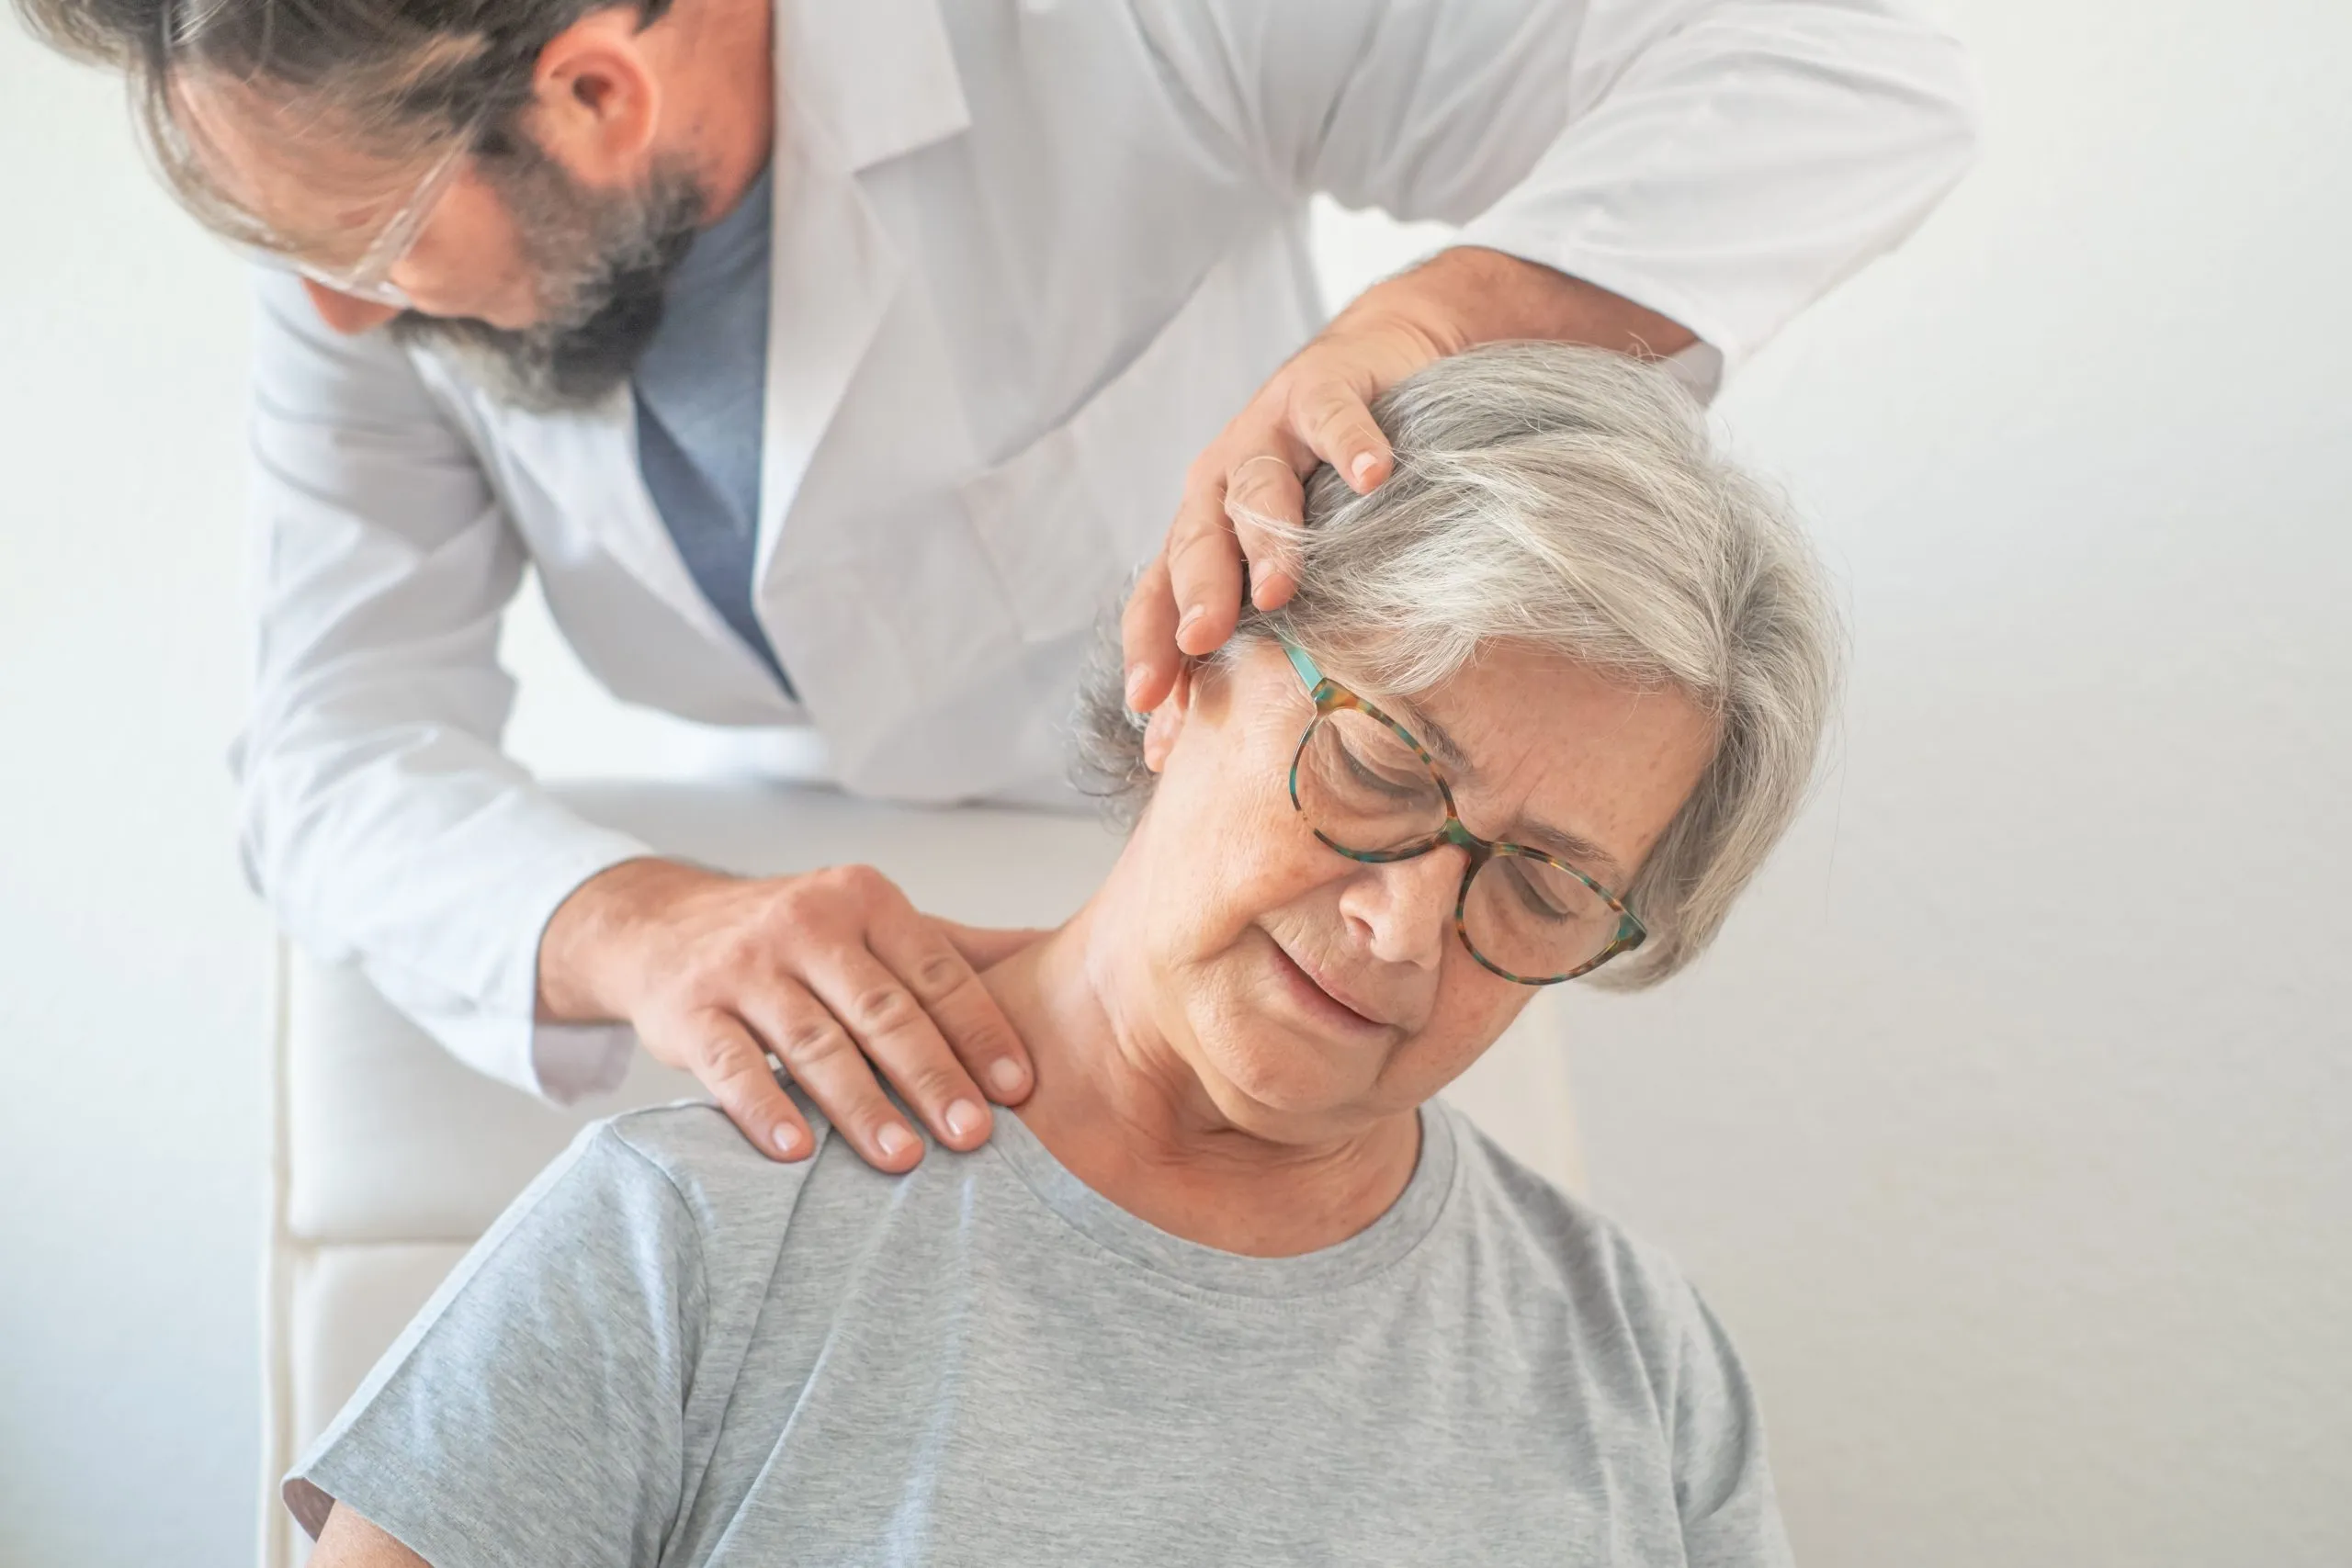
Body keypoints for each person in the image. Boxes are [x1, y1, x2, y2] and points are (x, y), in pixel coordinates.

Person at [17, 0, 1970, 1168]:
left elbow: (1833, 70)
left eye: (355, 231)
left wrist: (1438, 312)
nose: (324, 304)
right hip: (837, 986)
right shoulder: (366, 286)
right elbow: (333, 741)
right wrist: (635, 932)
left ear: (598, 94)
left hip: (1264, 936)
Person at [280, 343, 1839, 1565]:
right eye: (1379, 766)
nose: (1404, 925)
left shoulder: (1636, 1357)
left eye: (1549, 886)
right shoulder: (689, 1236)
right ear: (1184, 667)